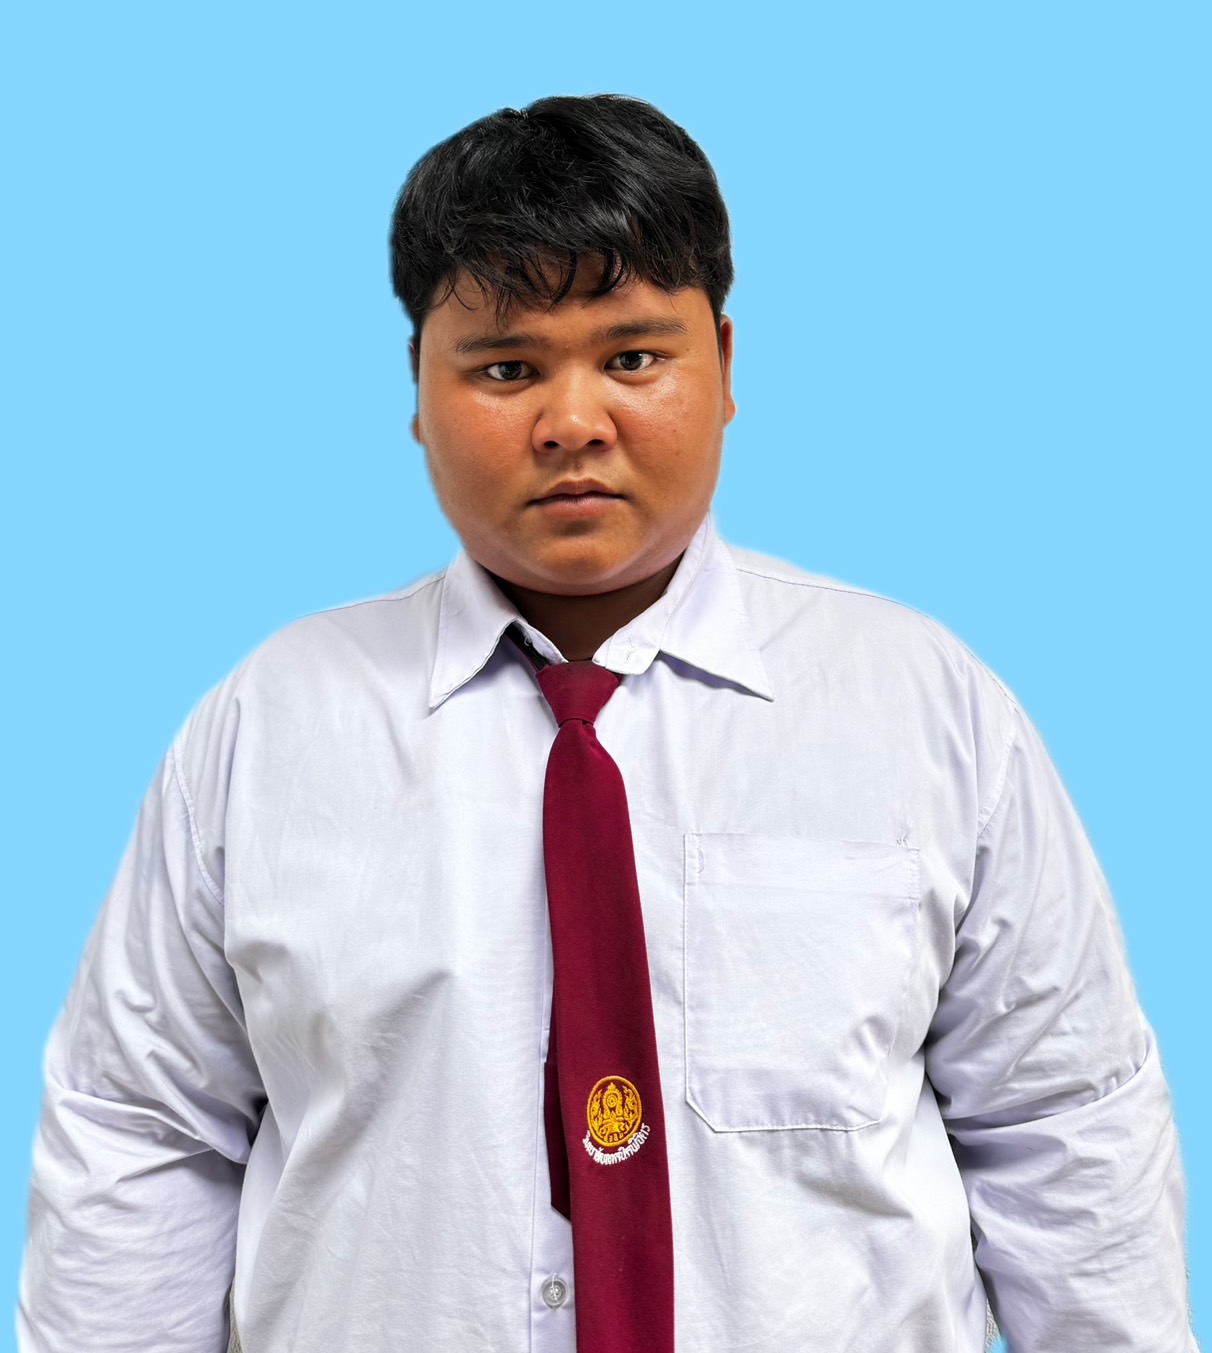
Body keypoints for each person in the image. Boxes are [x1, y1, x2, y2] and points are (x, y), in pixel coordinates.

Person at [19, 94, 1195, 1353]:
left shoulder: (927, 709)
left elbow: (1068, 1128)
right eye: (506, 368)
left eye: (633, 358)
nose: (573, 422)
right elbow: (140, 1134)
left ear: (725, 367)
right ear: (417, 388)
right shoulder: (268, 728)